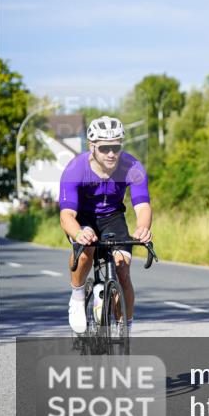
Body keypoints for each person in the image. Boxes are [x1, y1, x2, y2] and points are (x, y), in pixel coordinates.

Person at [59, 116, 153, 334]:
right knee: (86, 251)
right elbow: (66, 215)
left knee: (122, 270)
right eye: (105, 148)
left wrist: (143, 227)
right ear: (92, 147)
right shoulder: (75, 169)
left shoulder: (132, 166)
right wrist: (78, 233)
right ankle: (77, 296)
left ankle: (125, 328)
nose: (111, 153)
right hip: (83, 217)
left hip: (113, 217)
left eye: (116, 147)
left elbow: (142, 206)